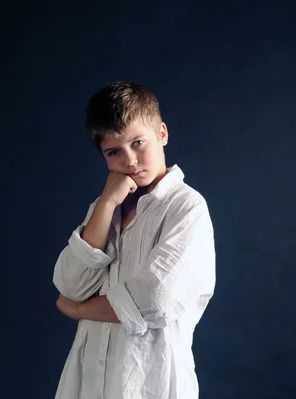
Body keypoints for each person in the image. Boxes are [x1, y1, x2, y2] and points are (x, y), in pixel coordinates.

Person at [52, 81, 216, 399]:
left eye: (138, 142)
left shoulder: (186, 207)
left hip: (147, 383)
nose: (130, 160)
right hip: (86, 381)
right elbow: (69, 283)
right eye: (114, 152)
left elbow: (156, 300)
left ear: (162, 134)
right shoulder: (103, 209)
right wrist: (105, 204)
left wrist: (77, 311)